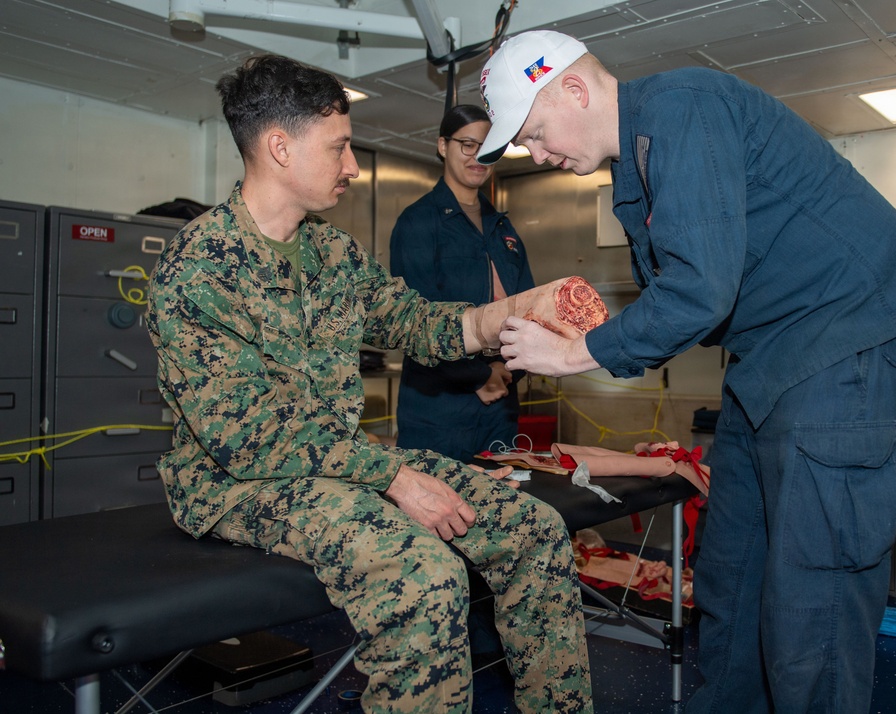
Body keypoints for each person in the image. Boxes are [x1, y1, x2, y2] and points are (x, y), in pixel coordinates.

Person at [475, 30, 896, 714]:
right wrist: (598, 332)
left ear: (574, 89)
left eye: (537, 133)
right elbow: (689, 300)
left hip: (844, 342)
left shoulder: (682, 107)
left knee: (811, 587)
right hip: (769, 357)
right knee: (732, 573)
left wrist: (576, 354)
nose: (541, 154)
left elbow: (700, 290)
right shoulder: (634, 161)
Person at [146, 54, 591, 713]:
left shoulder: (331, 251)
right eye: (339, 147)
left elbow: (408, 321)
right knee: (424, 576)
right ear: (278, 147)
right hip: (235, 483)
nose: (352, 165)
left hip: (336, 463)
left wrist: (512, 314)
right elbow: (247, 439)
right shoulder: (200, 265)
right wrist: (391, 477)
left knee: (532, 527)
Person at [390, 104, 534, 462]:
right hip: (439, 408)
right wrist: (477, 375)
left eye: (488, 148)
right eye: (467, 145)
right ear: (443, 146)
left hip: (500, 401)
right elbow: (415, 317)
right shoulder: (418, 223)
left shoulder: (504, 229)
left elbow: (529, 307)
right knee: (436, 512)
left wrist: (508, 368)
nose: (478, 157)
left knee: (503, 504)